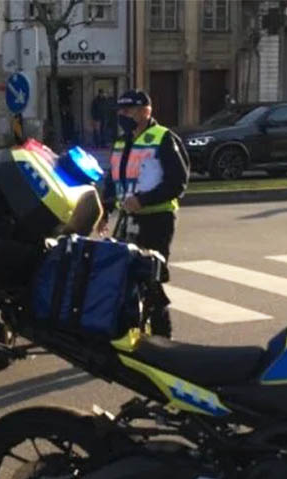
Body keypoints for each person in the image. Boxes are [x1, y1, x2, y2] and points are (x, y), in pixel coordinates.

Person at [98, 90, 189, 338]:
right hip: (129, 218)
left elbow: (178, 182)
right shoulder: (122, 141)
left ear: (145, 112)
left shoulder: (163, 138)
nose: (122, 115)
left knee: (150, 277)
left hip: (157, 219)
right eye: (120, 111)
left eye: (127, 111)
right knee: (122, 274)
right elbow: (114, 180)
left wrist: (144, 200)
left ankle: (161, 336)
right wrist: (104, 210)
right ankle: (126, 331)